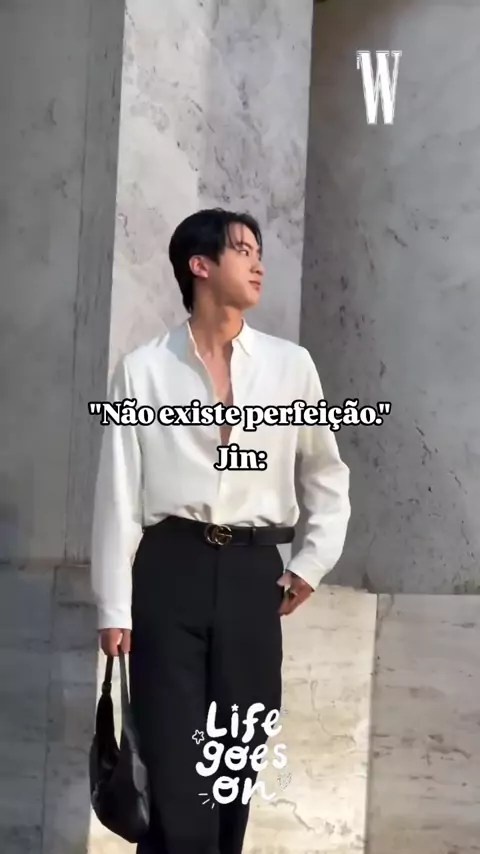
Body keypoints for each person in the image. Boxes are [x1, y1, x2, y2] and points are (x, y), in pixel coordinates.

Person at [90, 207, 351, 854]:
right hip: (168, 572)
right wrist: (114, 605)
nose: (258, 264)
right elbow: (118, 494)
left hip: (252, 577)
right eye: (243, 250)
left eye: (259, 251)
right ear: (199, 265)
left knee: (231, 771)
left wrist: (311, 562)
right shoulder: (143, 370)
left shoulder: (291, 367)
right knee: (175, 776)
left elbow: (325, 473)